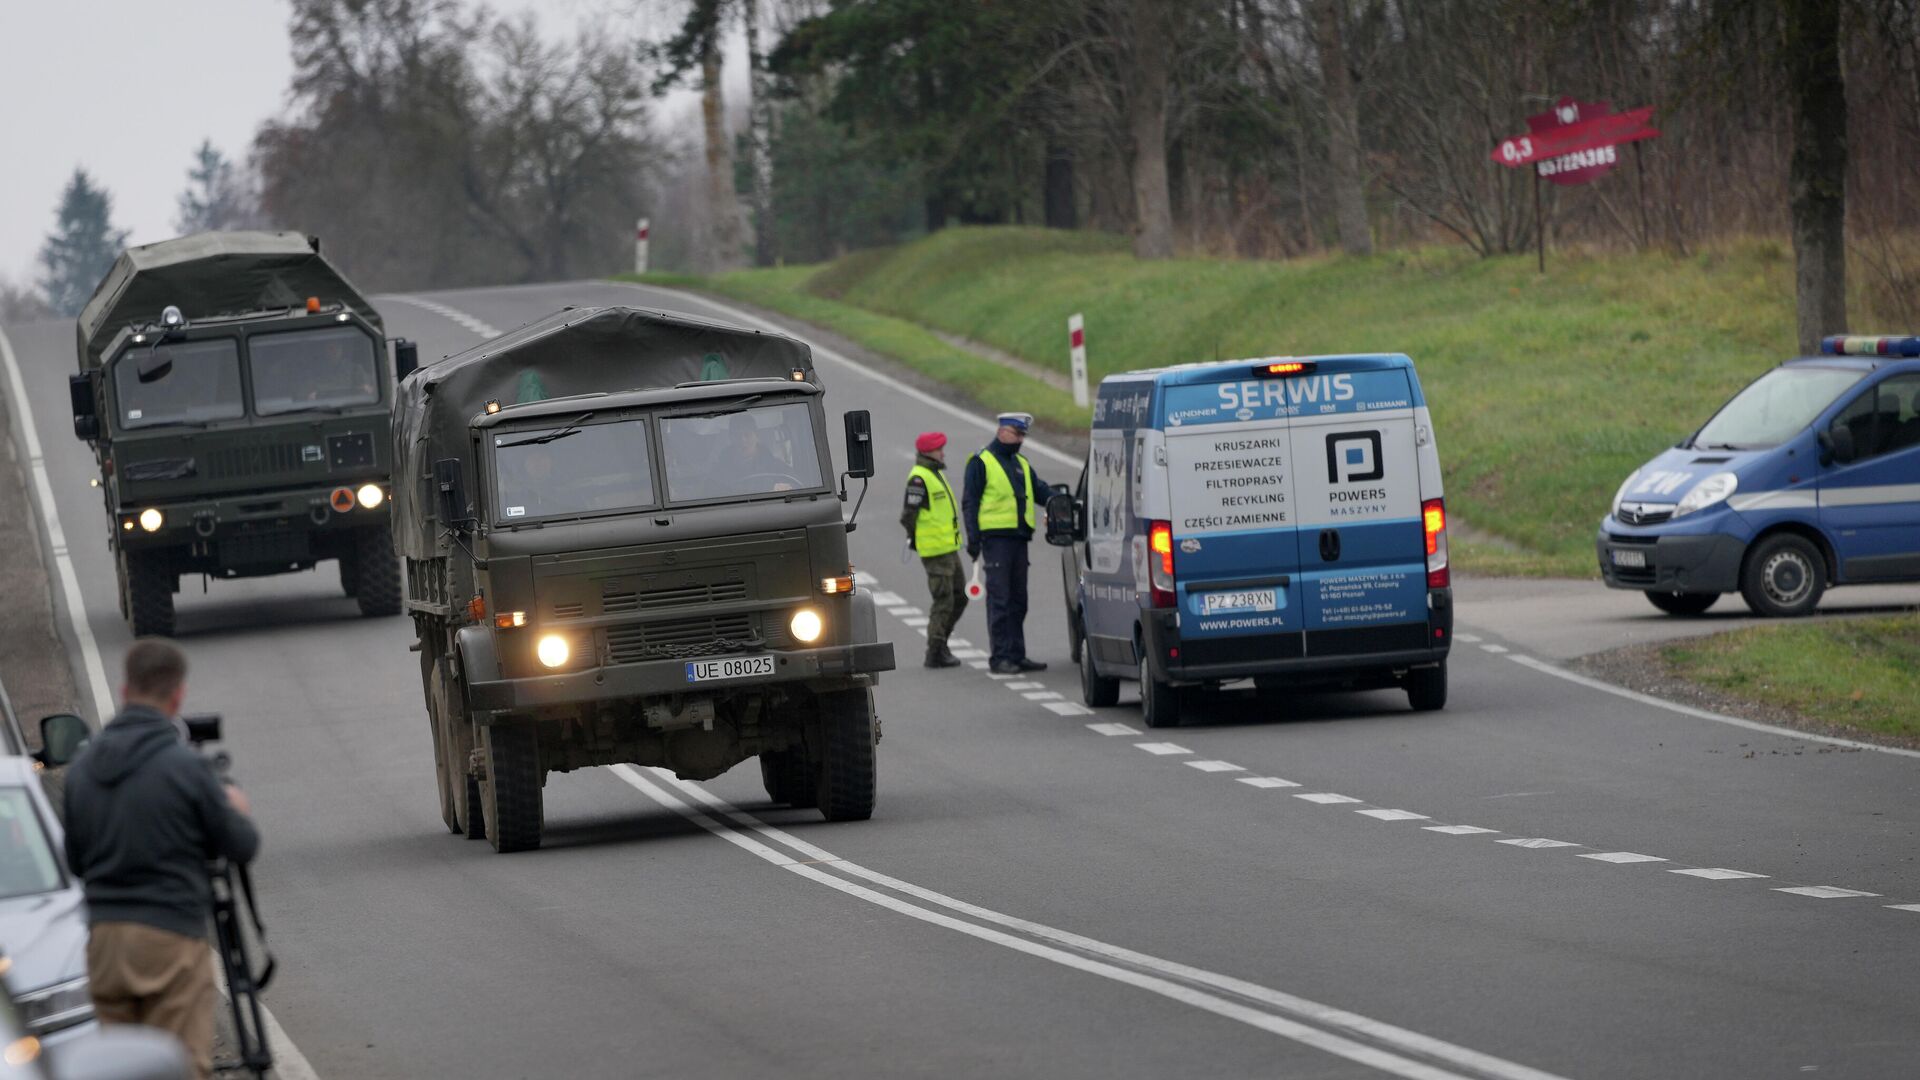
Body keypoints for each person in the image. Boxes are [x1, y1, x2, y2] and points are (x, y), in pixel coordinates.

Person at [63, 640, 260, 1080]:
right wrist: (235, 807)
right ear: (177, 696)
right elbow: (242, 846)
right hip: (169, 935)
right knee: (181, 1064)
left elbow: (76, 862)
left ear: (123, 689)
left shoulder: (82, 769)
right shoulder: (185, 768)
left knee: (119, 1070)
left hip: (106, 941)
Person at [962, 413, 1052, 675]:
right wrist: (974, 539)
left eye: (1023, 435)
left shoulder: (1020, 463)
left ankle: (1016, 654)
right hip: (996, 540)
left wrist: (1062, 501)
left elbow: (1040, 490)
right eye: (1017, 434)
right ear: (1002, 432)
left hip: (1019, 539)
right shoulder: (981, 462)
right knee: (1000, 600)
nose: (1020, 440)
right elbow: (971, 502)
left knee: (1018, 600)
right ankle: (1000, 656)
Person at [900, 431, 967, 668]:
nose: (943, 452)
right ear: (928, 452)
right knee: (944, 600)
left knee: (960, 596)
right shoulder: (919, 478)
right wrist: (917, 539)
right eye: (939, 448)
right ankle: (935, 651)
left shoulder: (933, 474)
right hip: (935, 551)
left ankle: (941, 643)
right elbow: (908, 516)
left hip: (948, 547)